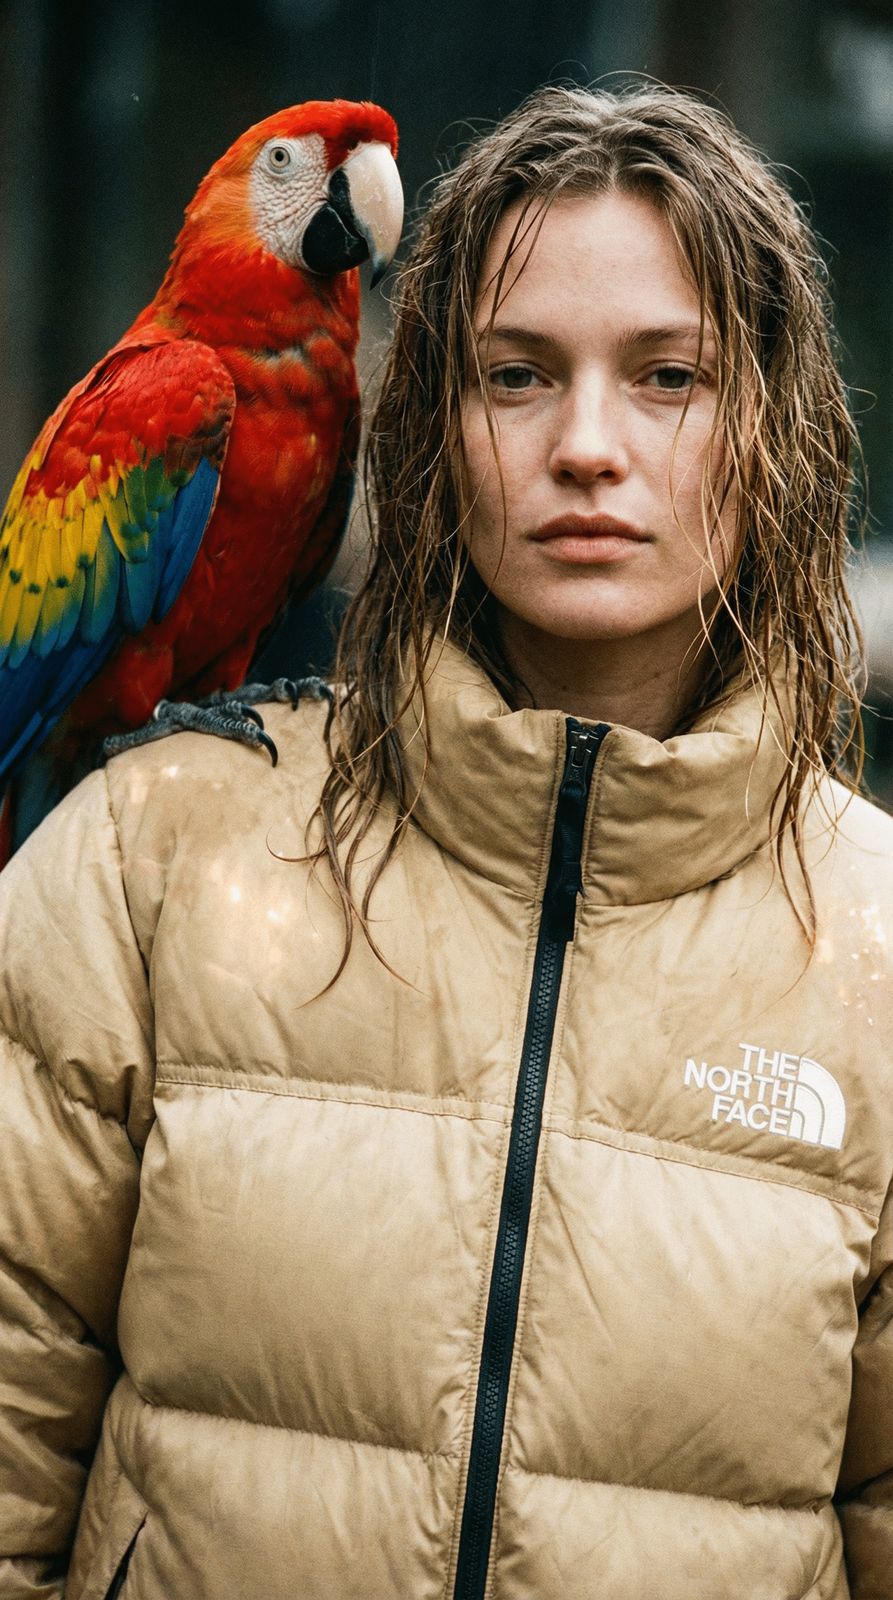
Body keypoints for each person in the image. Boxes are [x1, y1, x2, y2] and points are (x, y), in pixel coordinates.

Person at [1, 82, 891, 1600]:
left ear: (776, 428)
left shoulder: (873, 945)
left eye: (668, 376)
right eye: (515, 375)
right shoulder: (144, 860)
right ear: (437, 426)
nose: (587, 447)